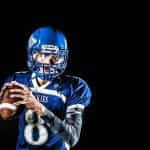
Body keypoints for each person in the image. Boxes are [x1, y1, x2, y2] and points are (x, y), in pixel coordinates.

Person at [0, 26, 92, 150]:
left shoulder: (74, 87)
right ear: (33, 54)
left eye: (55, 56)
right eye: (43, 54)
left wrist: (39, 108)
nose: (49, 62)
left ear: (63, 57)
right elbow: (6, 114)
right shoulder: (17, 81)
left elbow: (71, 137)